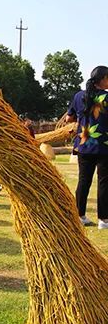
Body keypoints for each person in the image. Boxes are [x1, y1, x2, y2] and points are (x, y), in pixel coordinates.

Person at [66, 66, 108, 228]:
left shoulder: (79, 96)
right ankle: (103, 220)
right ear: (103, 79)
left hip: (84, 145)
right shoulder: (106, 97)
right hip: (104, 146)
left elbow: (70, 118)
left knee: (83, 181)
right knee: (104, 183)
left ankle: (79, 216)